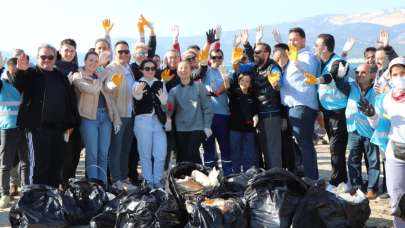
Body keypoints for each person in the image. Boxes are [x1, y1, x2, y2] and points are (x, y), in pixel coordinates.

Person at [14, 44, 80, 188]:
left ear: (55, 58)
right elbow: (18, 84)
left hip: (58, 130)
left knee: (55, 166)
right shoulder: (31, 74)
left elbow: (69, 102)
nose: (47, 60)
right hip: (37, 129)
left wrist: (71, 124)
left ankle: (51, 200)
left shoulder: (61, 77)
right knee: (38, 167)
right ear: (38, 58)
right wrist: (21, 71)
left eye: (50, 57)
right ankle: (34, 200)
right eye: (43, 57)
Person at [70, 51, 121, 184]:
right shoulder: (78, 76)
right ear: (85, 61)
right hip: (88, 118)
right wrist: (101, 79)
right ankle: (93, 185)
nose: (93, 63)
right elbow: (92, 90)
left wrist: (116, 119)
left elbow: (110, 96)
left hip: (105, 117)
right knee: (92, 154)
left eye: (95, 61)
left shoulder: (101, 74)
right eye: (90, 60)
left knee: (103, 154)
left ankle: (103, 185)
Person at [367, 57, 405, 227]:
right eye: (395, 74)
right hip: (395, 153)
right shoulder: (385, 98)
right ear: (389, 76)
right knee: (397, 199)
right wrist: (371, 114)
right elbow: (377, 124)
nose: (399, 77)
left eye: (403, 73)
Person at [312, 33, 351, 189]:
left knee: (336, 147)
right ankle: (343, 179)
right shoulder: (321, 62)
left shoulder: (337, 62)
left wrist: (316, 80)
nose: (315, 47)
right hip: (327, 111)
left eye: (317, 45)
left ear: (325, 48)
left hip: (338, 111)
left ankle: (338, 181)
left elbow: (330, 76)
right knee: (335, 147)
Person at [281, 27, 320, 179]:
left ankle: (311, 179)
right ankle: (310, 177)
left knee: (305, 144)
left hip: (302, 105)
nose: (292, 42)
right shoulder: (295, 56)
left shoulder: (306, 56)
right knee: (303, 144)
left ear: (303, 40)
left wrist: (295, 62)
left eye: (295, 39)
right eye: (290, 39)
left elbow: (309, 72)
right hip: (295, 105)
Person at [239, 42, 283, 169]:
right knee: (265, 151)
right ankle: (270, 179)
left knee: (273, 152)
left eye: (258, 52)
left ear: (266, 53)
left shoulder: (272, 68)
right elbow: (238, 67)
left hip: (271, 114)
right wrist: (245, 45)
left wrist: (276, 82)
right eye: (254, 52)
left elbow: (278, 82)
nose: (255, 54)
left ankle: (277, 180)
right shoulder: (256, 67)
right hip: (260, 115)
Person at [167, 61, 213, 164]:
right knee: (182, 156)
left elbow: (208, 107)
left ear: (190, 70)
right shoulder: (174, 91)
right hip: (181, 128)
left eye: (186, 68)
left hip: (197, 127)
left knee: (193, 154)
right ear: (178, 72)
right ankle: (182, 178)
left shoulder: (199, 86)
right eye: (181, 68)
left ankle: (198, 178)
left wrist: (207, 126)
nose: (183, 70)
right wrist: (164, 102)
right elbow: (169, 112)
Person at [105, 41, 136, 189]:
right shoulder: (111, 69)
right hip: (118, 114)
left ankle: (124, 177)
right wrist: (115, 116)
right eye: (120, 52)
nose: (123, 54)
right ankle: (116, 179)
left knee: (126, 148)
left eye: (126, 51)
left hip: (131, 114)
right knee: (116, 148)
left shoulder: (129, 69)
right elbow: (107, 92)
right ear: (115, 53)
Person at [346, 64, 380, 199]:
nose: (359, 75)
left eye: (363, 72)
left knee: (373, 161)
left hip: (370, 131)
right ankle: (356, 187)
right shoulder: (352, 85)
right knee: (353, 159)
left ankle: (372, 188)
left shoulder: (377, 89)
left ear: (372, 75)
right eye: (358, 72)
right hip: (353, 129)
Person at [133, 59, 167, 188]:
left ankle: (157, 180)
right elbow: (137, 96)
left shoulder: (160, 83)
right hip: (142, 120)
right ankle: (148, 181)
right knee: (145, 153)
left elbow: (166, 105)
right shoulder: (137, 84)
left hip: (158, 121)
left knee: (160, 152)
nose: (150, 71)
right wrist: (138, 94)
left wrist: (164, 103)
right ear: (142, 70)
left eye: (153, 68)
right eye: (147, 68)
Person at [0, 57, 29, 208]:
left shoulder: (22, 83)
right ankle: (4, 194)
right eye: (13, 68)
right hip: (7, 128)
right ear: (8, 68)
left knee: (25, 161)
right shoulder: (2, 83)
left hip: (22, 127)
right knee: (6, 163)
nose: (15, 71)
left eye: (17, 69)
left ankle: (25, 191)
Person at [201, 49, 233, 175]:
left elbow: (226, 86)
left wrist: (214, 93)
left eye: (220, 57)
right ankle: (210, 174)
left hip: (222, 114)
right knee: (208, 147)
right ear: (210, 59)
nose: (217, 60)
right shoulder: (206, 72)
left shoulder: (227, 71)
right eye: (214, 58)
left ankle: (228, 174)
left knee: (225, 146)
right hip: (207, 116)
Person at [55, 38, 82, 187]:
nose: (69, 53)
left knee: (75, 153)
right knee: (64, 154)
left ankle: (69, 183)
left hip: (76, 117)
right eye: (66, 50)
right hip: (61, 119)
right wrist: (67, 84)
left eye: (72, 51)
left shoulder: (76, 68)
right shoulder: (55, 68)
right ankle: (62, 184)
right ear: (60, 50)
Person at [228, 73, 258, 173]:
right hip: (235, 129)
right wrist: (224, 74)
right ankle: (235, 175)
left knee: (249, 154)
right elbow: (227, 86)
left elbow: (255, 110)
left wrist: (256, 116)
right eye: (242, 80)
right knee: (235, 153)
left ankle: (248, 175)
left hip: (249, 129)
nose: (244, 83)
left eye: (247, 81)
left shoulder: (252, 95)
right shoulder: (234, 93)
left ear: (250, 84)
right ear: (239, 81)